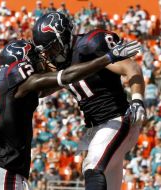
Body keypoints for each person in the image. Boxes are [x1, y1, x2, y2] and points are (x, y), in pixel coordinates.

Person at [0, 36, 140, 189]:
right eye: (35, 58)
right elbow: (65, 77)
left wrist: (83, 71)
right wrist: (107, 58)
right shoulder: (20, 79)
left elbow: (58, 83)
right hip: (3, 169)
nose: (40, 61)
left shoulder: (1, 81)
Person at [32, 12, 146, 190]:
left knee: (91, 167)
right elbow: (44, 89)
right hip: (97, 127)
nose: (50, 55)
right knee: (104, 183)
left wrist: (138, 100)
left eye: (53, 48)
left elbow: (131, 67)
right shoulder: (61, 62)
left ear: (64, 37)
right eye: (46, 51)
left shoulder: (89, 45)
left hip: (117, 119)